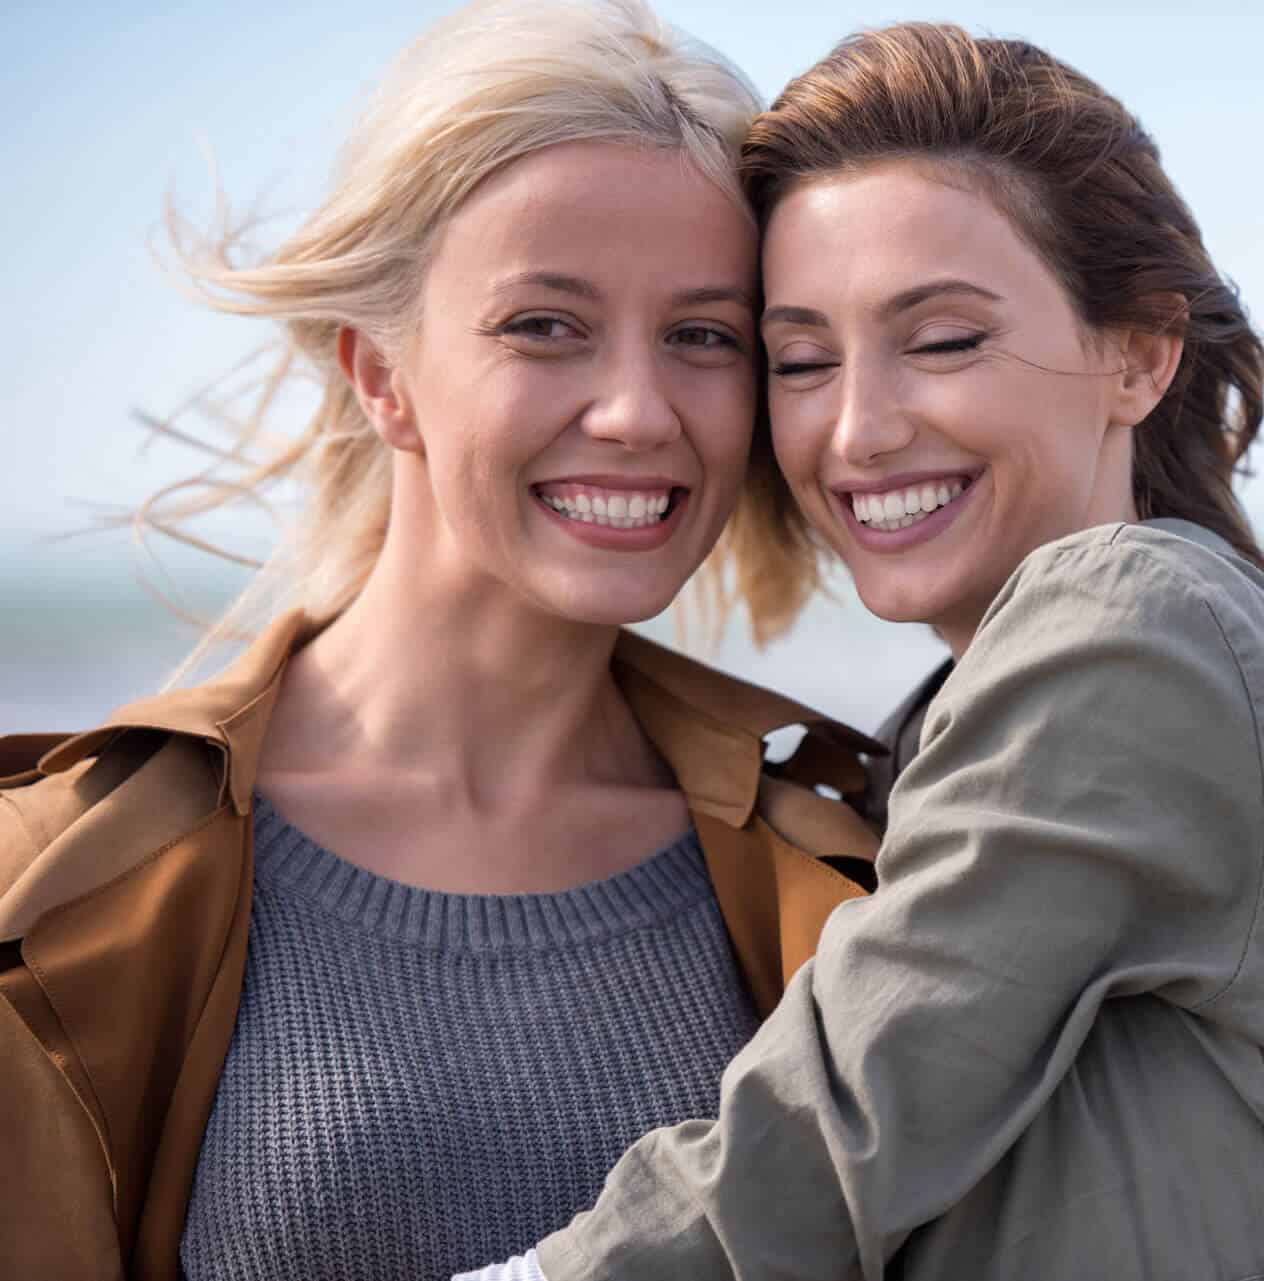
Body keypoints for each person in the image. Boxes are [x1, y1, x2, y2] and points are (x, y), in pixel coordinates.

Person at [473, 22, 1264, 1281]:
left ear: (1140, 352)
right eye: (801, 360)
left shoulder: (1132, 625)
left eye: (942, 340)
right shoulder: (1029, 692)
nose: (861, 428)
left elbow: (837, 1129)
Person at [0, 3, 885, 1278]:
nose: (638, 411)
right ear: (381, 374)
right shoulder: (61, 887)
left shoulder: (852, 862)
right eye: (544, 325)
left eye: (704, 335)